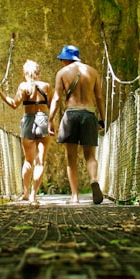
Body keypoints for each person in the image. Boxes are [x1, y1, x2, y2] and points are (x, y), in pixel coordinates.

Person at [48, 45, 106, 204]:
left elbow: (57, 99)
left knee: (71, 158)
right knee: (90, 155)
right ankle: (93, 179)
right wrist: (102, 118)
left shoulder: (62, 73)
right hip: (88, 114)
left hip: (71, 115)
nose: (61, 62)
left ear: (67, 59)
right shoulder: (92, 72)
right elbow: (99, 97)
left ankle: (74, 196)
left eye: (62, 59)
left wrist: (50, 119)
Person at [0, 60, 52, 204]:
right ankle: (34, 195)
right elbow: (51, 105)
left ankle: (25, 193)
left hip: (28, 121)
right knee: (40, 162)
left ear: (25, 73)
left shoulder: (23, 86)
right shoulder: (46, 86)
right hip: (43, 119)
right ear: (39, 72)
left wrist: (0, 92)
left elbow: (14, 104)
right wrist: (52, 122)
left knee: (28, 161)